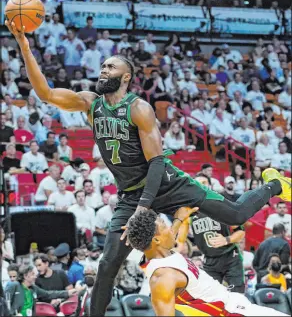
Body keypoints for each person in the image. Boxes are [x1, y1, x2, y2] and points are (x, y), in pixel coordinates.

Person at [7, 20, 291, 316]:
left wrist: (144, 208)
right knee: (107, 265)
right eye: (102, 66)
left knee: (236, 214)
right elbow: (46, 94)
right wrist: (25, 46)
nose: (103, 70)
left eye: (110, 67)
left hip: (168, 184)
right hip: (131, 195)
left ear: (126, 77)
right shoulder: (90, 104)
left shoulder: (139, 108)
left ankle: (275, 184)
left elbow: (156, 162)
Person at [127, 208, 288, 316]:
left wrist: (179, 218)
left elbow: (167, 237)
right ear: (156, 238)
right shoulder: (162, 278)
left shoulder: (162, 252)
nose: (171, 229)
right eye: (165, 226)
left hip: (234, 303)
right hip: (230, 312)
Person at [178, 176, 245, 293]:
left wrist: (226, 240)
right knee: (211, 296)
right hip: (209, 260)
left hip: (230, 257)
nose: (201, 185)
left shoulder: (220, 204)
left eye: (204, 182)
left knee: (237, 295)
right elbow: (180, 242)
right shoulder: (189, 212)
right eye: (197, 183)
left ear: (210, 186)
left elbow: (241, 232)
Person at [5, 265, 77, 316]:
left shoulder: (33, 288)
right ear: (25, 276)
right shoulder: (14, 285)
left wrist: (67, 293)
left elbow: (48, 294)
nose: (35, 276)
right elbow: (5, 303)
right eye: (33, 274)